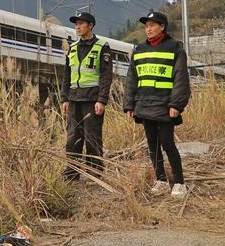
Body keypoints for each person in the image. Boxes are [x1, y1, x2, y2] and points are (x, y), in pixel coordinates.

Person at [123, 11, 191, 198]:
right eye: (146, 26)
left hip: (165, 105)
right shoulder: (139, 49)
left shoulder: (175, 48)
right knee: (152, 144)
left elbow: (180, 79)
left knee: (168, 143)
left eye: (152, 25)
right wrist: (129, 105)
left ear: (162, 27)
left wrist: (176, 104)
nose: (148, 29)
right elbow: (132, 78)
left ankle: (179, 183)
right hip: (144, 105)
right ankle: (161, 180)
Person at [60, 11, 113, 181]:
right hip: (74, 99)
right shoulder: (73, 48)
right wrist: (64, 98)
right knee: (72, 138)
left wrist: (102, 100)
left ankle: (95, 172)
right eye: (76, 24)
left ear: (90, 26)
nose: (78, 26)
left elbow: (106, 76)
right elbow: (67, 75)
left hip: (92, 100)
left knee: (92, 138)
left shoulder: (101, 47)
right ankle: (72, 172)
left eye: (82, 23)